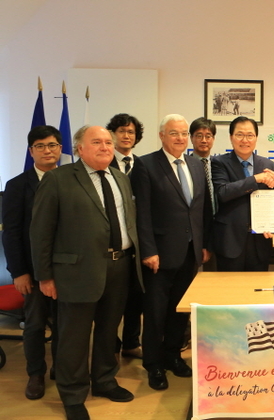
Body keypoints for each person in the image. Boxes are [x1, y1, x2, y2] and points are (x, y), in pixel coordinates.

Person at [31, 125, 142, 420]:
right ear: (80, 148)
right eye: (97, 142)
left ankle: (104, 381)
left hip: (119, 266)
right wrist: (44, 276)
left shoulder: (120, 177)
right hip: (76, 272)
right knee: (74, 337)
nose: (105, 147)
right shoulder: (58, 179)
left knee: (109, 331)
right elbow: (40, 232)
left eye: (108, 142)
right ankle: (72, 394)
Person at [130, 114, 213, 391]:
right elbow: (141, 212)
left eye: (183, 133)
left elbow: (202, 209)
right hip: (159, 255)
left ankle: (173, 355)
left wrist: (203, 244)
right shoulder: (146, 165)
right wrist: (148, 250)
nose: (180, 138)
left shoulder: (195, 164)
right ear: (162, 136)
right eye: (173, 133)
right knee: (155, 313)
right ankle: (153, 364)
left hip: (190, 252)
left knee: (180, 310)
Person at [2, 125, 61, 400]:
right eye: (40, 146)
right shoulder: (16, 186)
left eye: (52, 145)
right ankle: (36, 373)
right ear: (31, 151)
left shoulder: (71, 180)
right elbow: (11, 233)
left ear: (60, 149)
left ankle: (61, 367)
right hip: (33, 270)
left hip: (67, 269)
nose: (47, 150)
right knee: (35, 325)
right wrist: (19, 272)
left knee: (64, 324)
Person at [211, 116, 274, 271]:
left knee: (257, 284)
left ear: (256, 138)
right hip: (230, 240)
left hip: (260, 240)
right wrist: (255, 179)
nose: (245, 140)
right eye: (239, 135)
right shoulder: (219, 162)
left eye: (250, 135)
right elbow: (223, 193)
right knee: (228, 285)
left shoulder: (268, 164)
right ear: (231, 137)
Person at [106, 113, 145, 360]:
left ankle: (131, 342)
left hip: (137, 242)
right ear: (112, 134)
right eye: (121, 131)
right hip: (112, 242)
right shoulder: (103, 163)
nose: (127, 136)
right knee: (112, 300)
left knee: (136, 296)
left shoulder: (143, 165)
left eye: (131, 132)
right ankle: (110, 344)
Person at [190, 117, 218, 271]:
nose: (204, 140)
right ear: (191, 138)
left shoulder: (220, 165)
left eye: (208, 136)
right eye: (199, 136)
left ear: (213, 139)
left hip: (218, 229)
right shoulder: (184, 166)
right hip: (194, 231)